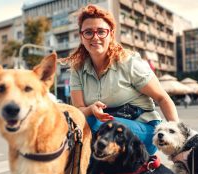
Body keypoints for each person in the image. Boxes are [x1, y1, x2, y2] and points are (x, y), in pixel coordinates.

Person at [64, 4, 179, 155]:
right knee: (75, 124)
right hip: (103, 132)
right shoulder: (77, 70)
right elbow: (79, 110)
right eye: (88, 32)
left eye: (101, 31)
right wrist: (91, 109)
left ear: (111, 34)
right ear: (81, 36)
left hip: (144, 129)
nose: (95, 37)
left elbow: (162, 98)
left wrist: (178, 137)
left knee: (93, 125)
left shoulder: (128, 63)